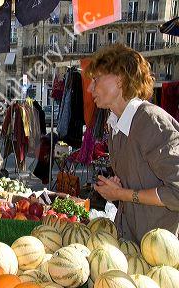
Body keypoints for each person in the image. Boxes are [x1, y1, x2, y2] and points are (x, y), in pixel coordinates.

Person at [87, 43, 179, 242]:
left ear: (119, 79)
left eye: (96, 79)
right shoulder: (114, 125)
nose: (89, 87)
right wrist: (115, 191)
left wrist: (123, 193)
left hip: (159, 251)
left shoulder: (151, 121)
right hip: (131, 243)